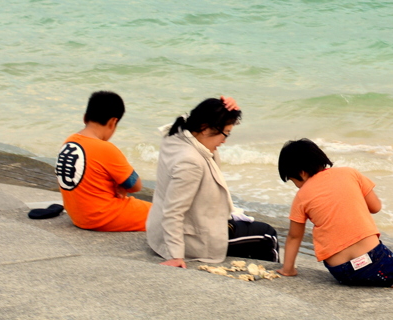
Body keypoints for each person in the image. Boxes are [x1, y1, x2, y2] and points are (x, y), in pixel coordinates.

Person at [146, 97, 278, 268]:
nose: (225, 140)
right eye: (225, 133)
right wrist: (176, 255)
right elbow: (173, 211)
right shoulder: (190, 162)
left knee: (247, 230)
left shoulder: (177, 133)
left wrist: (225, 109)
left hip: (169, 229)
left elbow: (191, 116)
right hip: (194, 238)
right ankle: (269, 280)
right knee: (268, 236)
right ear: (204, 128)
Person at [276, 138, 393, 291]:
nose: (297, 186)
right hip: (373, 259)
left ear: (302, 173)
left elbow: (294, 236)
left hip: (341, 269)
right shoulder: (349, 173)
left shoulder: (301, 197)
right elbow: (375, 207)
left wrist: (288, 269)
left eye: (293, 181)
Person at [55, 90, 151, 232]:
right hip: (102, 216)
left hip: (77, 216)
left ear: (85, 118)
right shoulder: (105, 148)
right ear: (113, 122)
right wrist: (121, 185)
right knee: (162, 214)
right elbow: (136, 186)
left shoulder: (69, 142)